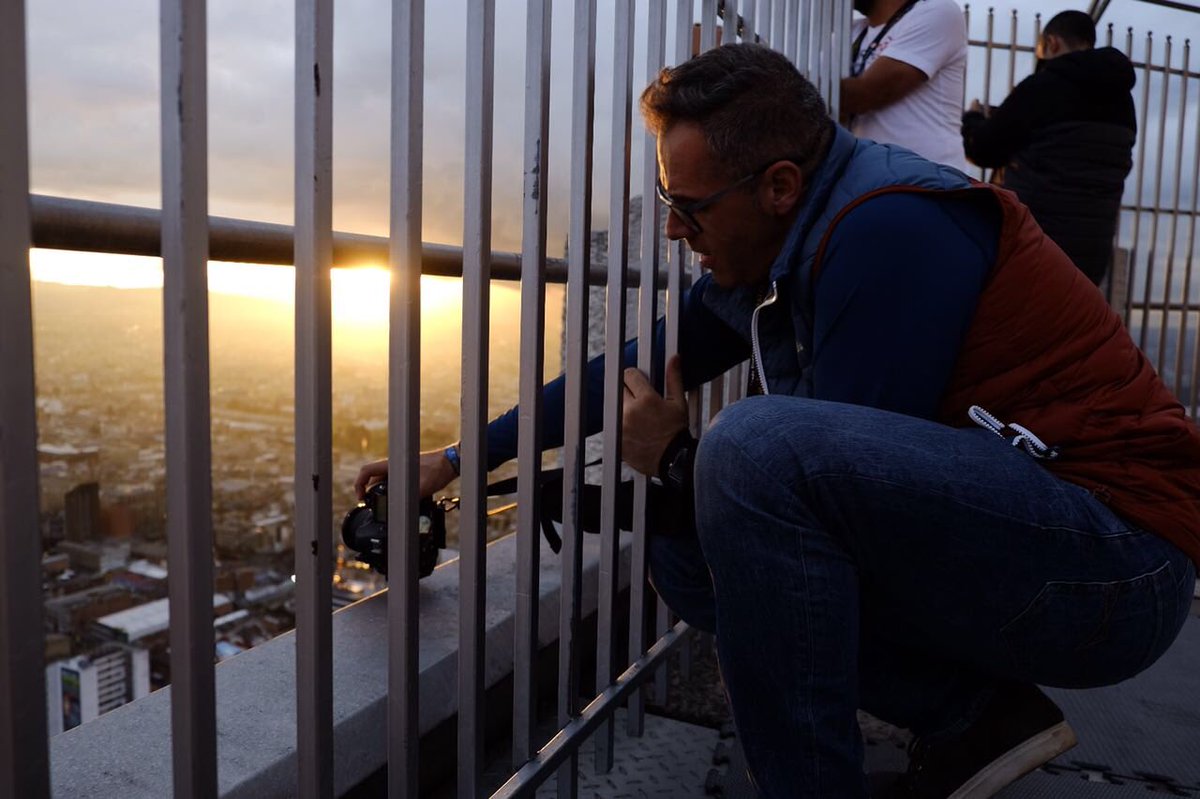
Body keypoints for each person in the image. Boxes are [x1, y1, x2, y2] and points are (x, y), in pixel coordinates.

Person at [357, 44, 1200, 798]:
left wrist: (681, 459)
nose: (680, 231)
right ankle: (972, 717)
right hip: (1035, 540)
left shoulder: (888, 228)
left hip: (1115, 568)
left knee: (747, 448)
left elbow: (815, 502)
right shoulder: (794, 233)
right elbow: (626, 373)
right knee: (686, 552)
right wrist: (460, 456)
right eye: (667, 202)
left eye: (690, 207)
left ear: (780, 184)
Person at [961, 10, 1136, 286]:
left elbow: (982, 149)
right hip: (1090, 255)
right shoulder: (1124, 102)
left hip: (1033, 243)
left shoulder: (1043, 85)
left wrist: (973, 118)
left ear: (1052, 43)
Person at [840, 0, 969, 171]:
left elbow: (868, 94)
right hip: (872, 179)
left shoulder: (938, 11)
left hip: (927, 182)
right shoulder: (854, 31)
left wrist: (800, 91)